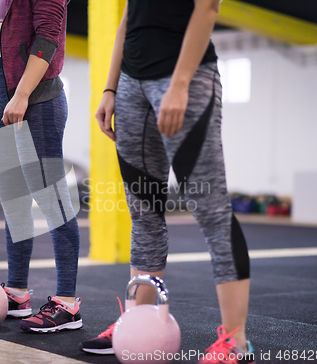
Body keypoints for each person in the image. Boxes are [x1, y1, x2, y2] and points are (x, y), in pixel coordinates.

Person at [80, 1, 254, 363]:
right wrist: (110, 89)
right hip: (130, 83)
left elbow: (207, 8)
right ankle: (137, 322)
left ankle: (236, 344)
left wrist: (180, 83)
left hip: (184, 77)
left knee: (212, 212)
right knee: (143, 211)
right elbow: (130, 15)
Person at [0, 0, 82, 332]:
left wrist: (20, 94)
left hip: (36, 98)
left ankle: (68, 303)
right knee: (13, 201)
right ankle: (17, 292)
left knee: (53, 200)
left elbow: (49, 34)